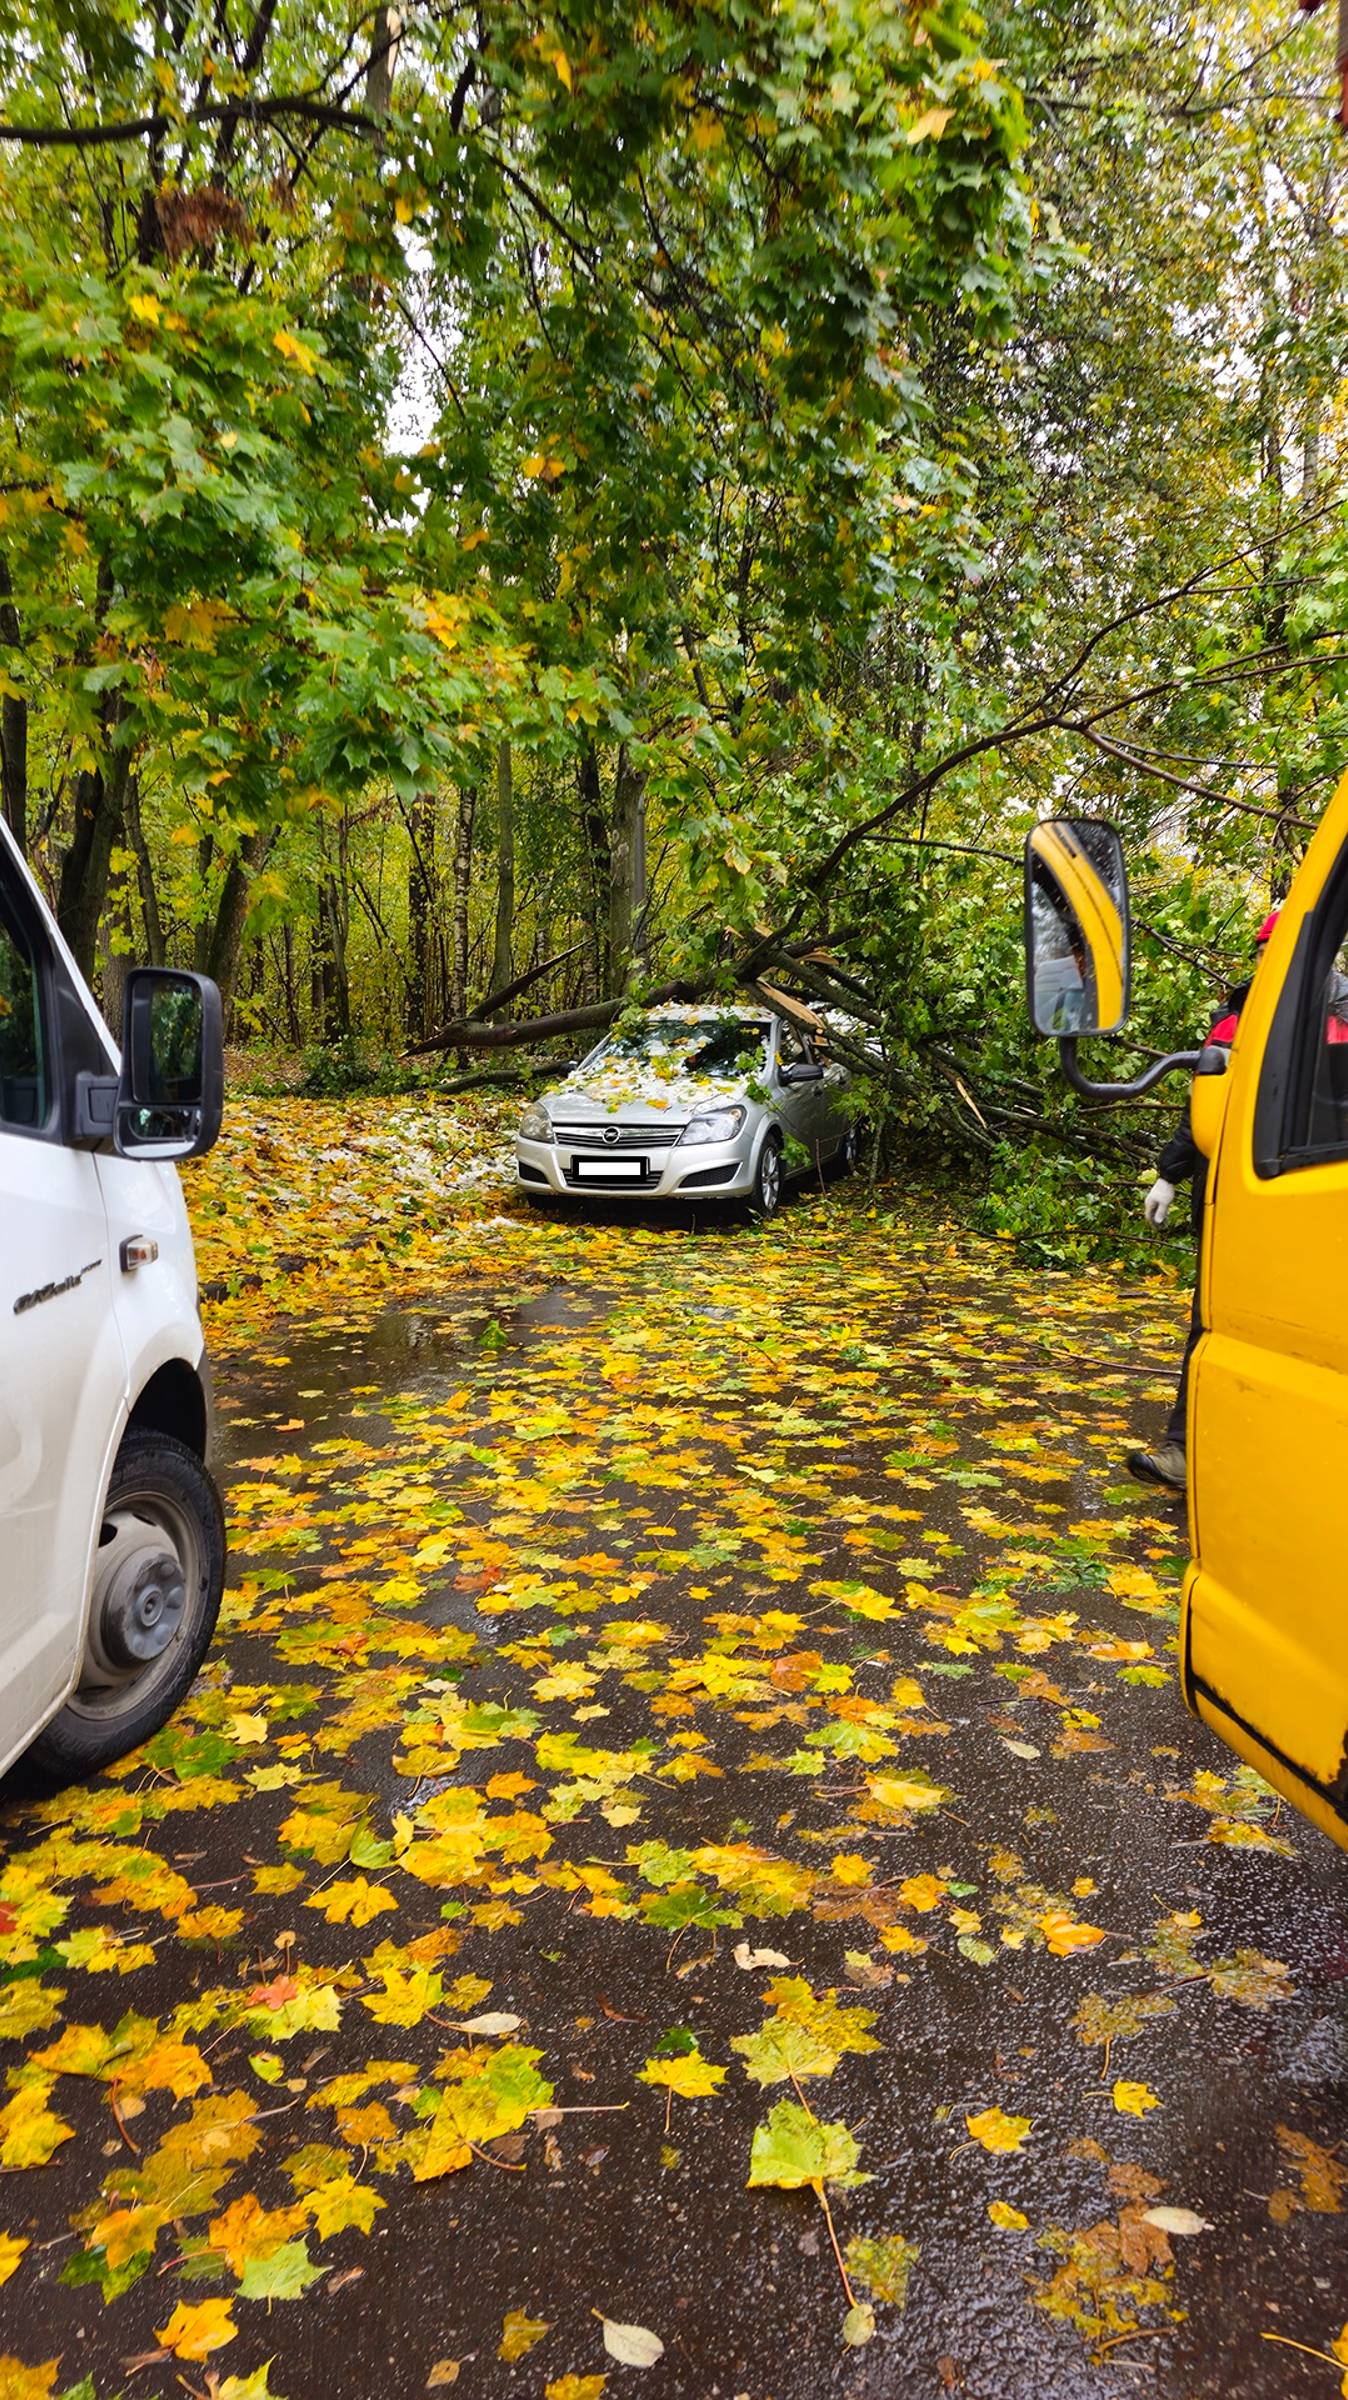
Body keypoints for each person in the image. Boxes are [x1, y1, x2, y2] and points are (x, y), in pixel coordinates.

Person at [1127, 910, 1279, 1492]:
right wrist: (1169, 1175)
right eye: (1266, 952)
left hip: (1309, 1209)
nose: (1272, 963)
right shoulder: (1231, 1025)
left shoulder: (1338, 1018)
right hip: (1227, 1205)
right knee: (1210, 1330)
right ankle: (1186, 1451)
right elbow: (1201, 1111)